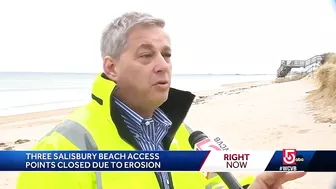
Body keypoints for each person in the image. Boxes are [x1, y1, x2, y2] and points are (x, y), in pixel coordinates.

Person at [16, 11, 306, 189]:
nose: (162, 65)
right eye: (146, 55)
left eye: (166, 54)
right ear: (111, 68)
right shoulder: (63, 149)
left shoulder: (187, 136)